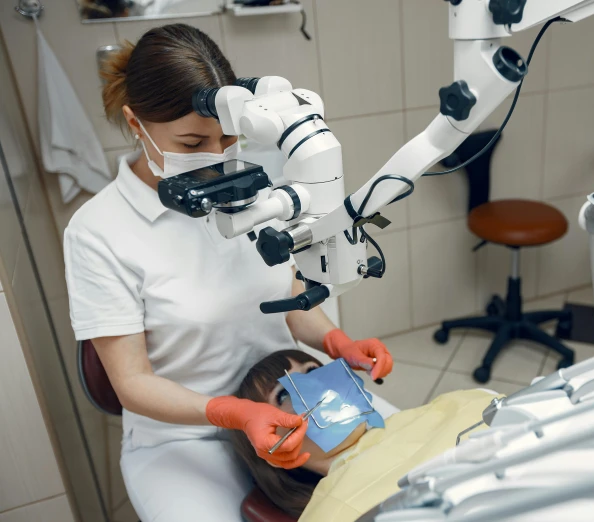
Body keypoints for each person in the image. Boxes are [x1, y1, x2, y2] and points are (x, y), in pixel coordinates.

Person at [63, 23, 393, 522]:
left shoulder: (253, 186)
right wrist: (234, 413)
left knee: (408, 480)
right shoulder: (98, 231)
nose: (218, 159)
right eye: (193, 142)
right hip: (184, 437)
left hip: (291, 399)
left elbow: (289, 297)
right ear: (136, 123)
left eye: (228, 138)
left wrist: (337, 343)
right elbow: (131, 383)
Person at [231, 350, 499, 521]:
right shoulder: (329, 512)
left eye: (313, 370)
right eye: (285, 394)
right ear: (271, 446)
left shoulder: (444, 406)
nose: (316, 385)